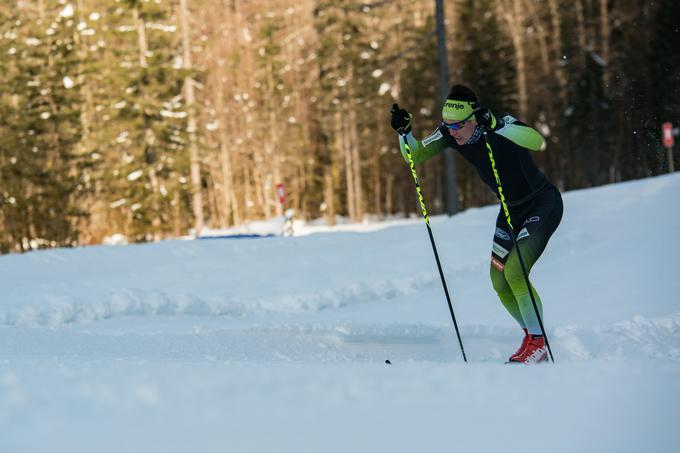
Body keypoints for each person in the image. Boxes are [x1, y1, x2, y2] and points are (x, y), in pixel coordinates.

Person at [390, 84, 563, 364]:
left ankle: (539, 342)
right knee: (499, 280)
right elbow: (416, 155)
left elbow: (535, 141)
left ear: (474, 119)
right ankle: (531, 337)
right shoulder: (450, 133)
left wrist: (497, 126)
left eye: (458, 125)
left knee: (516, 272)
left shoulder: (496, 124)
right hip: (509, 211)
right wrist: (404, 133)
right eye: (447, 125)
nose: (452, 131)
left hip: (542, 204)